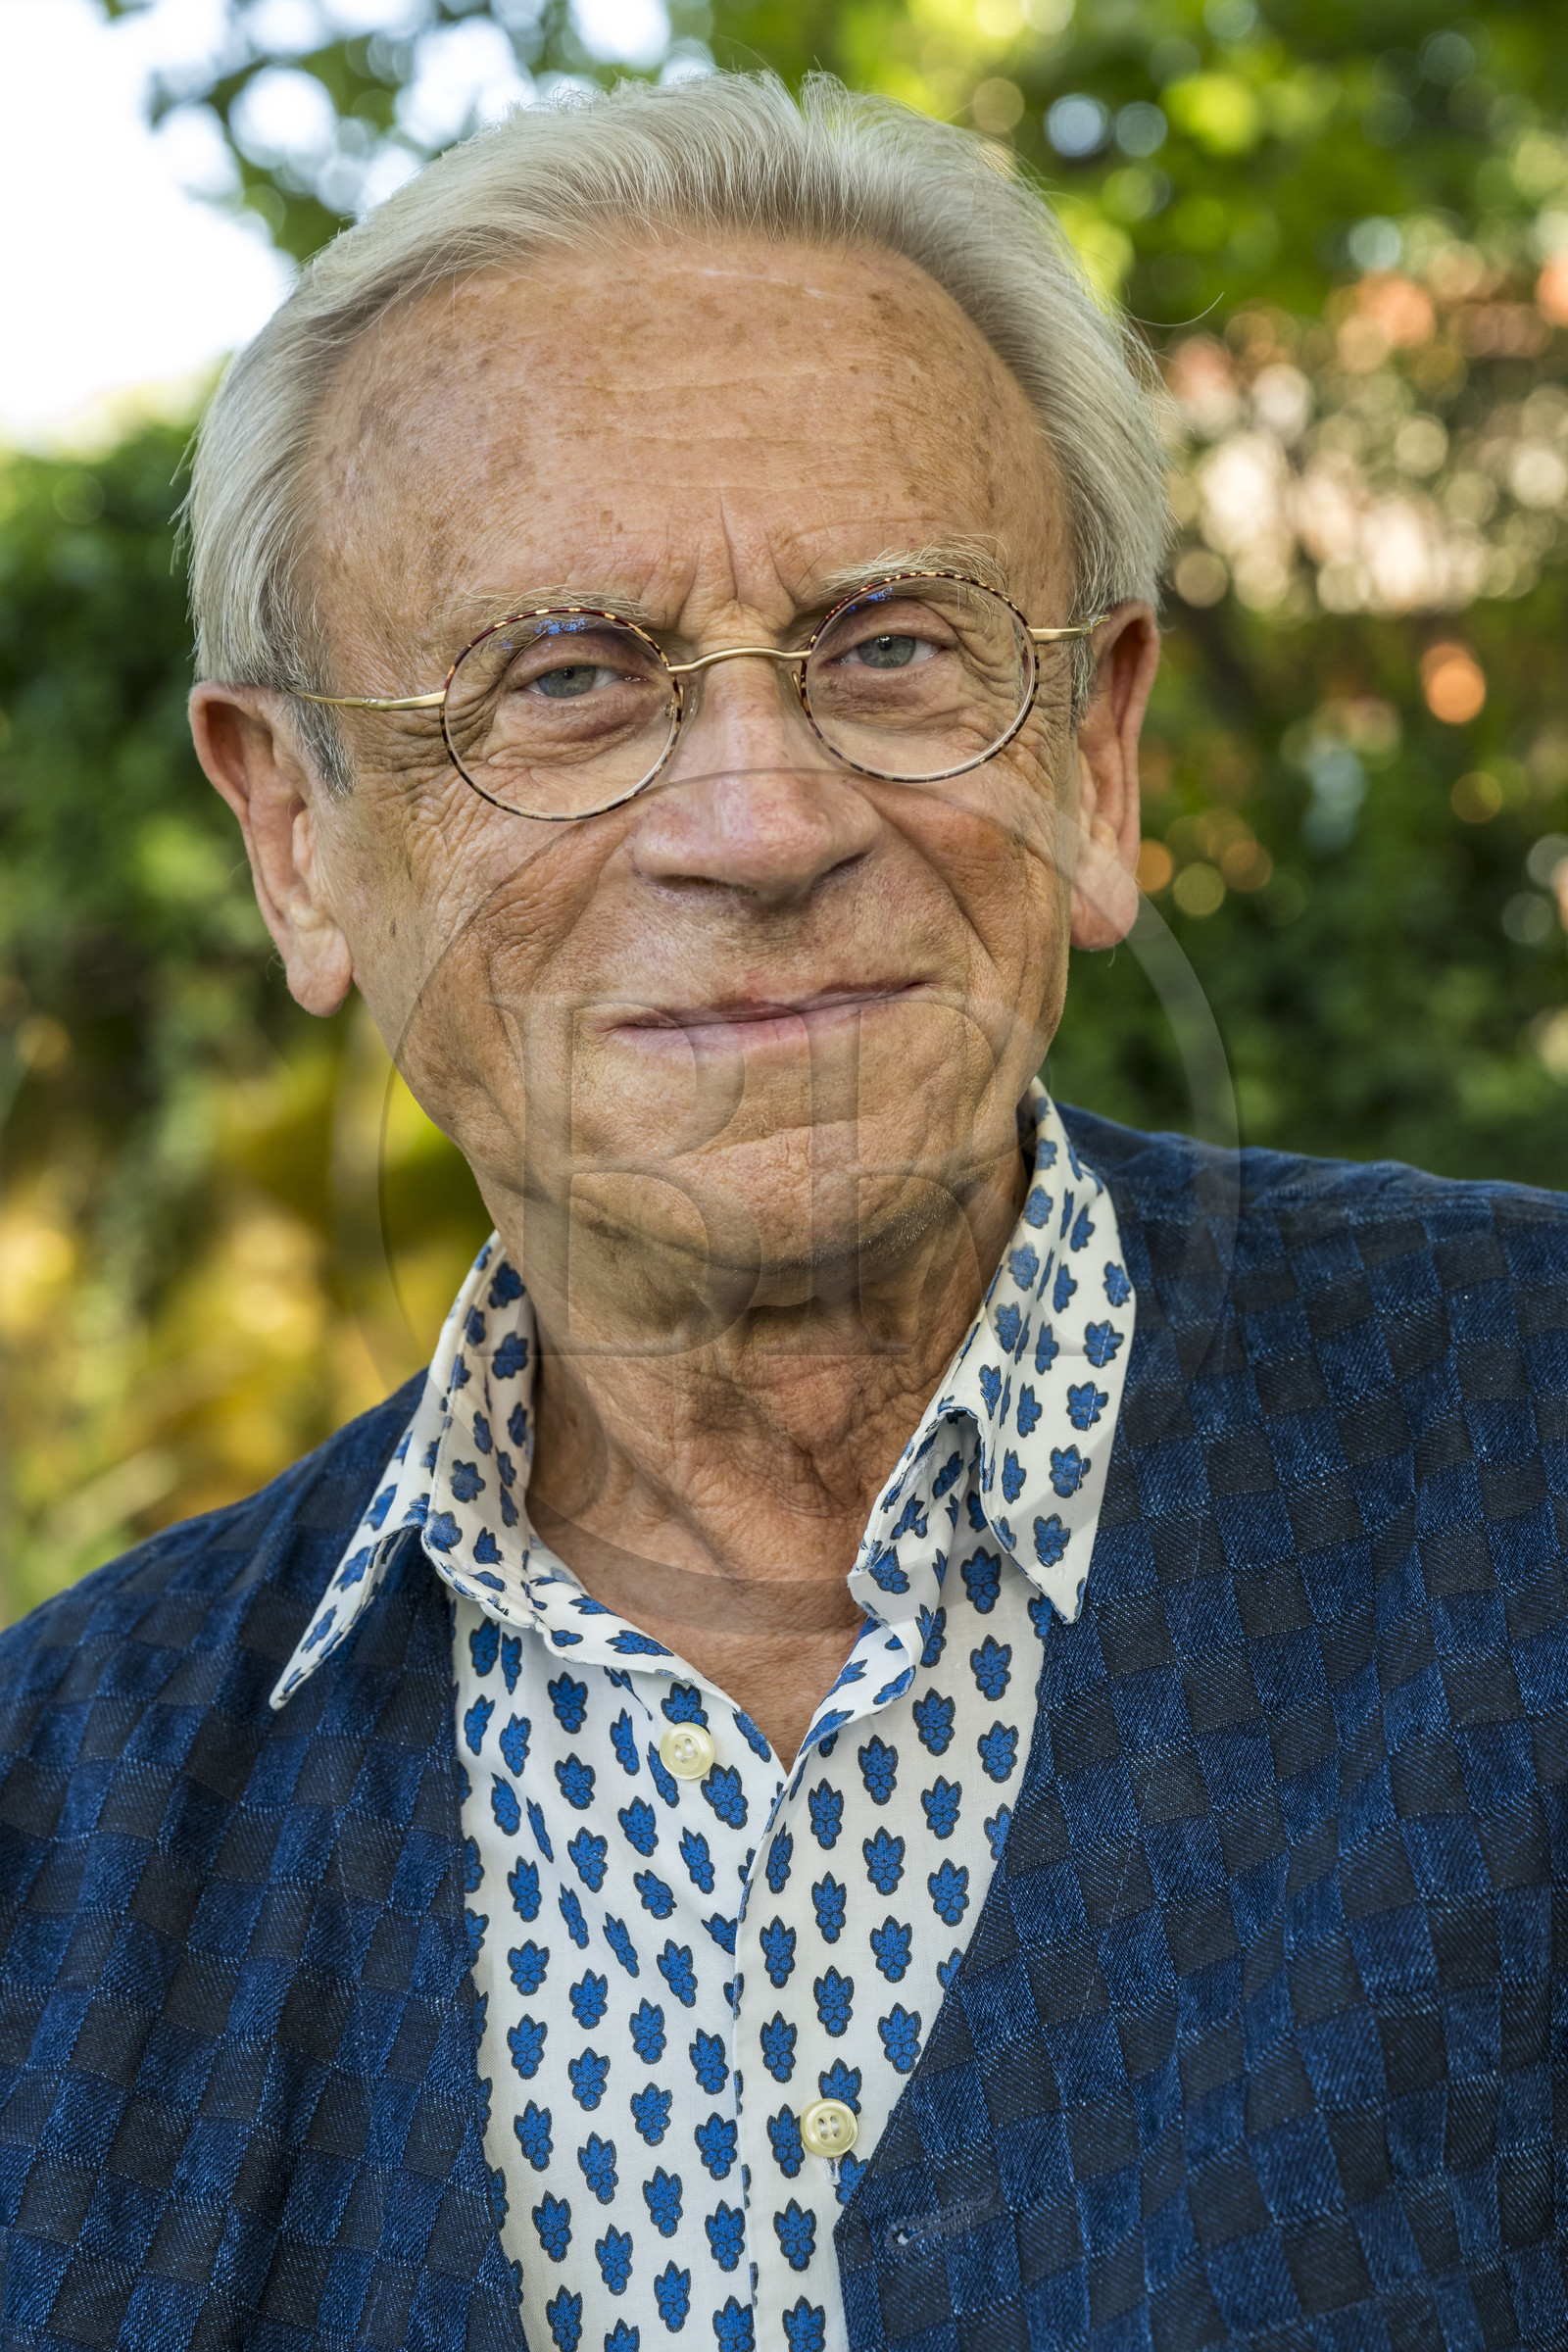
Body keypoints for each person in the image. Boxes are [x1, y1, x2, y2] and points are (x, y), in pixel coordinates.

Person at [3, 69, 1566, 2352]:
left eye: (894, 652)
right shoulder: (53, 1835)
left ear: (1095, 759)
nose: (755, 821)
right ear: (298, 838)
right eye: (562, 680)